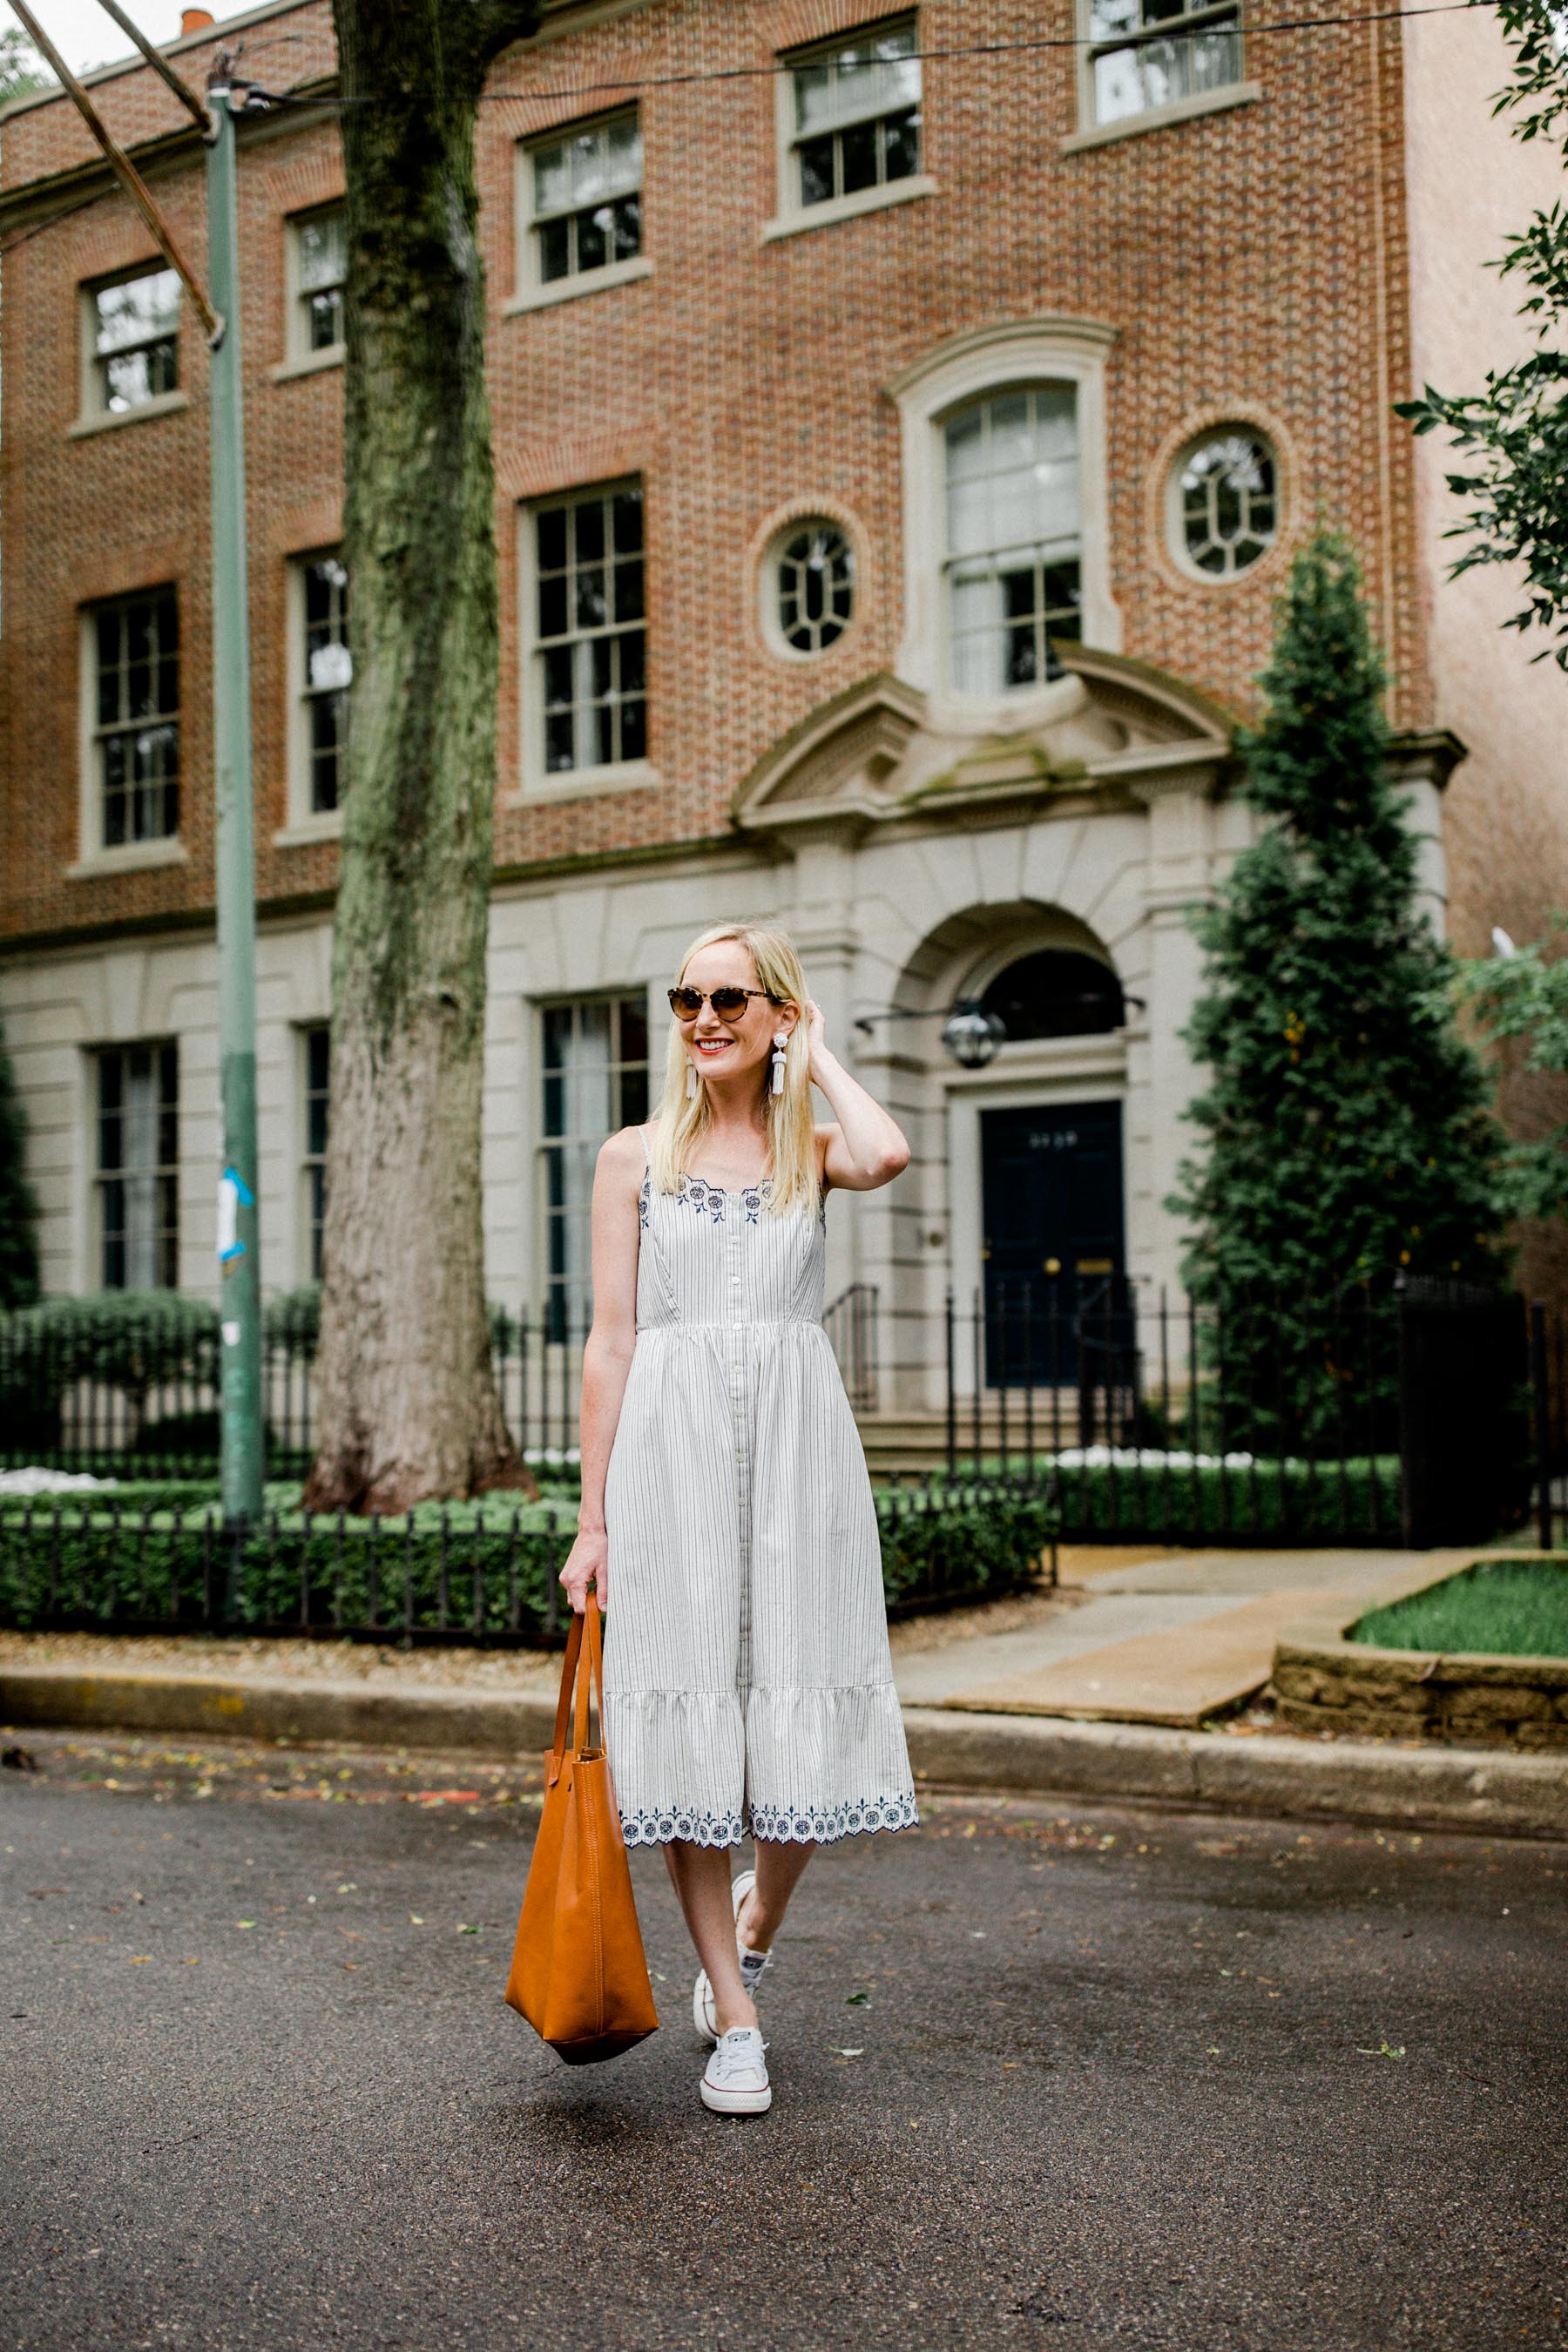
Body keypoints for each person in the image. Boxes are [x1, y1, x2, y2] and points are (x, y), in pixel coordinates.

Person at [556, 921, 918, 2117]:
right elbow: (611, 1340)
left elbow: (891, 1152)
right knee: (695, 1720)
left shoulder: (811, 1148)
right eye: (685, 999)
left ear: (775, 1013)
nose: (703, 1018)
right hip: (670, 1459)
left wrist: (816, 1057)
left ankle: (759, 1925)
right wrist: (592, 1518)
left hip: (799, 1459)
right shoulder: (630, 1159)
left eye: (729, 998)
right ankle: (736, 2014)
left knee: (796, 1713)